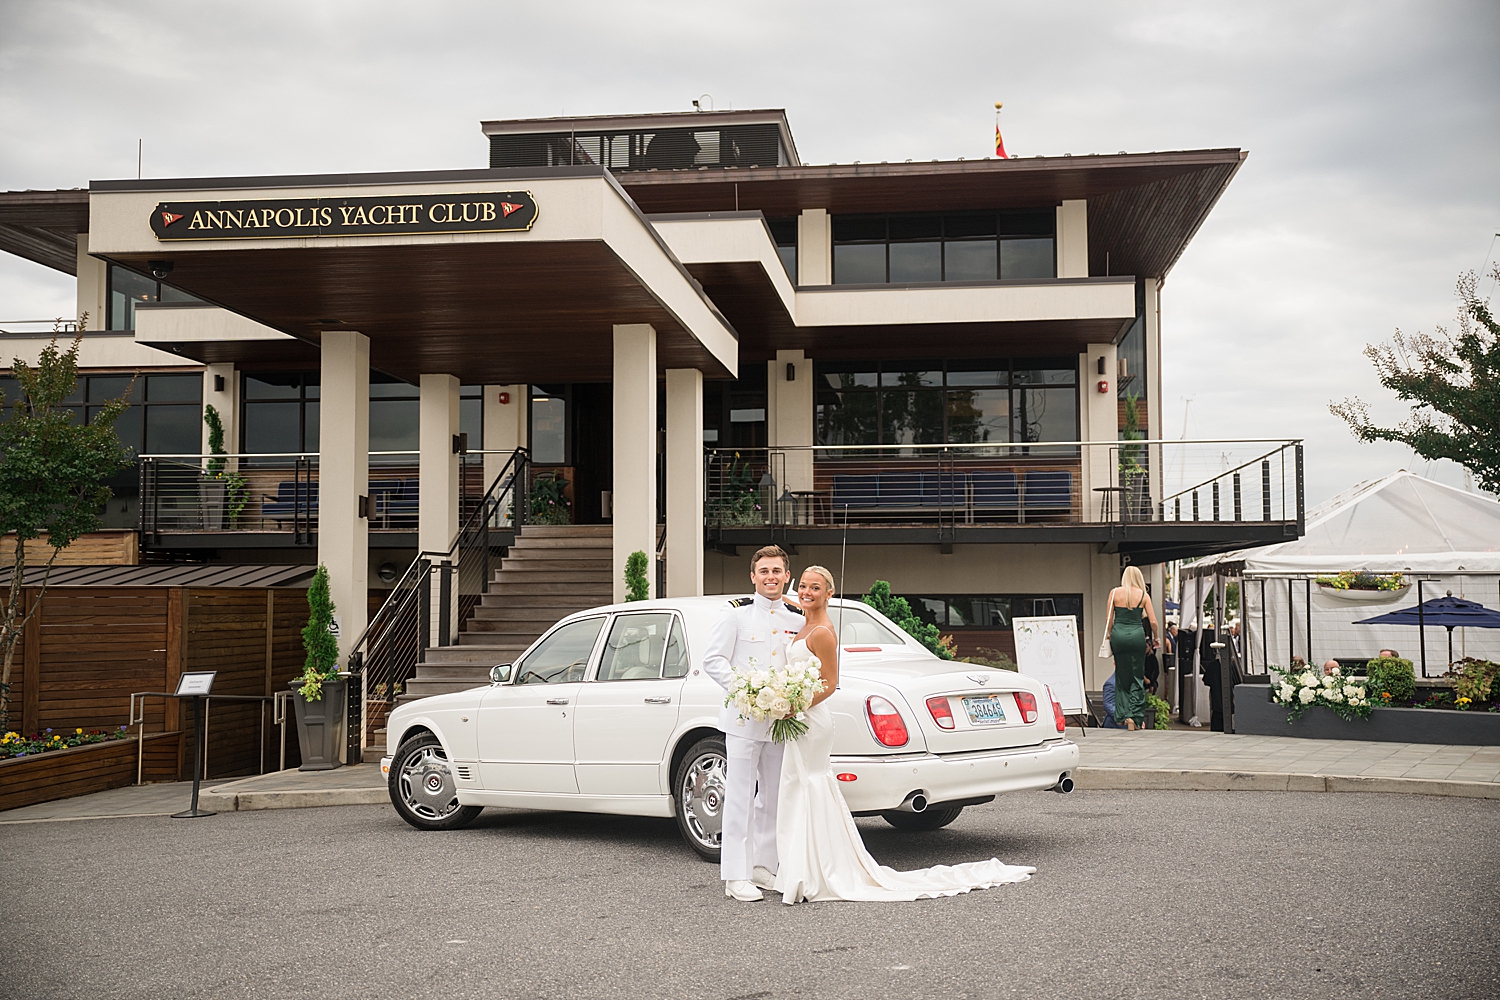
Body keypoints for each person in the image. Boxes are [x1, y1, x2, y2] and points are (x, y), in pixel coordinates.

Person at [772, 566, 1036, 904]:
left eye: (816, 588)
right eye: (804, 586)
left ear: (829, 594)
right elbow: (780, 603)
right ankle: (800, 869)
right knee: (797, 786)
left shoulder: (821, 631)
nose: (807, 592)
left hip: (811, 719)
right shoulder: (802, 624)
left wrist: (796, 704)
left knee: (810, 786)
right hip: (800, 719)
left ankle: (817, 872)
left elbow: (831, 682)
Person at [702, 544, 802, 902]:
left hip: (779, 722)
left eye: (777, 571)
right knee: (741, 797)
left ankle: (762, 865)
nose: (771, 577)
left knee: (773, 797)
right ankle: (735, 876)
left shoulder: (796, 618)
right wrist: (745, 691)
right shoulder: (736, 616)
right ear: (753, 577)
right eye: (764, 571)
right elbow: (714, 660)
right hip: (743, 720)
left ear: (787, 575)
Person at [1103, 566, 1158, 731]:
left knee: (1122, 675)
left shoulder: (1114, 593)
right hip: (1136, 636)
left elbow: (1108, 618)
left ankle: (1123, 714)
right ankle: (1135, 716)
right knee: (1136, 676)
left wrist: (1109, 635)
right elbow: (1153, 621)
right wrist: (1157, 637)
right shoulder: (1143, 595)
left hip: (1118, 635)